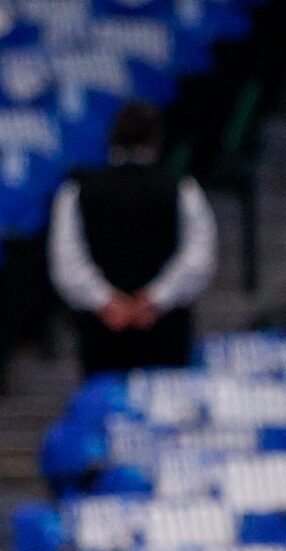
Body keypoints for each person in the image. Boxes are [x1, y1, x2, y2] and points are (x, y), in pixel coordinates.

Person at [48, 102, 217, 378]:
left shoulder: (76, 190)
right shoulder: (181, 188)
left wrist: (106, 301)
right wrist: (154, 300)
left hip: (107, 325)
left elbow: (66, 258)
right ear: (156, 141)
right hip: (157, 325)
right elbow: (199, 255)